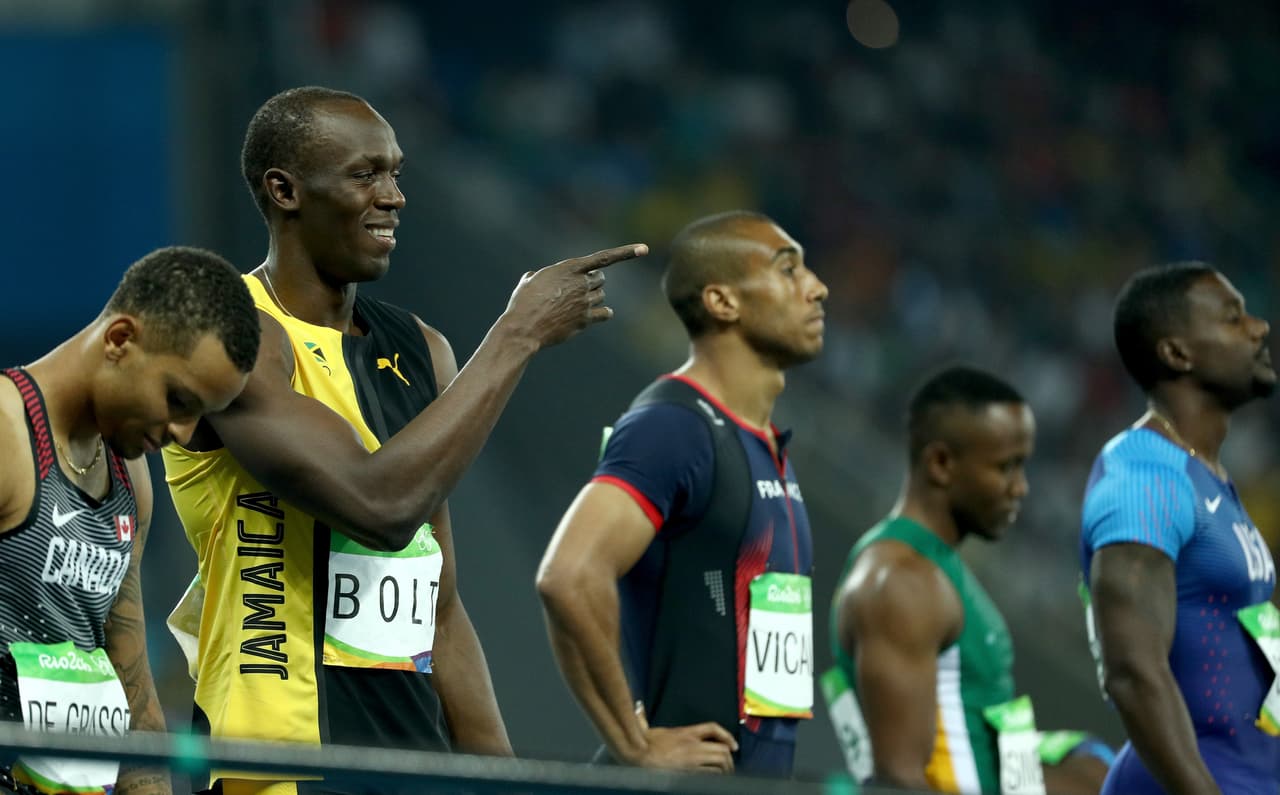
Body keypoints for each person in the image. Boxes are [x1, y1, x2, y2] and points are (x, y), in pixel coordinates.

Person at [160, 86, 646, 795]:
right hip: (280, 761)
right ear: (284, 190)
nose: (394, 196)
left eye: (396, 173)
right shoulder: (234, 330)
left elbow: (438, 598)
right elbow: (378, 505)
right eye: (365, 175)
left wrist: (495, 775)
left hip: (414, 760)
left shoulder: (422, 349)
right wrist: (517, 334)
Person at [535, 210, 827, 777]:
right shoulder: (674, 427)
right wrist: (635, 746)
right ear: (722, 302)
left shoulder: (764, 444)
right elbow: (567, 576)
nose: (818, 287)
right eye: (788, 270)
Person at [0, 246, 259, 795]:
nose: (184, 434)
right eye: (178, 400)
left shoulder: (129, 481)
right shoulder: (7, 433)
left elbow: (132, 692)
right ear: (120, 339)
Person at [828, 366, 1110, 795]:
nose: (1021, 488)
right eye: (1006, 468)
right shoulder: (900, 583)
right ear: (940, 463)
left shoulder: (932, 566)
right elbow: (898, 782)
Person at [1080, 262, 1280, 794]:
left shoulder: (1206, 477)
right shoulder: (1146, 477)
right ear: (1177, 353)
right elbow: (1132, 672)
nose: (1259, 327)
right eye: (1233, 318)